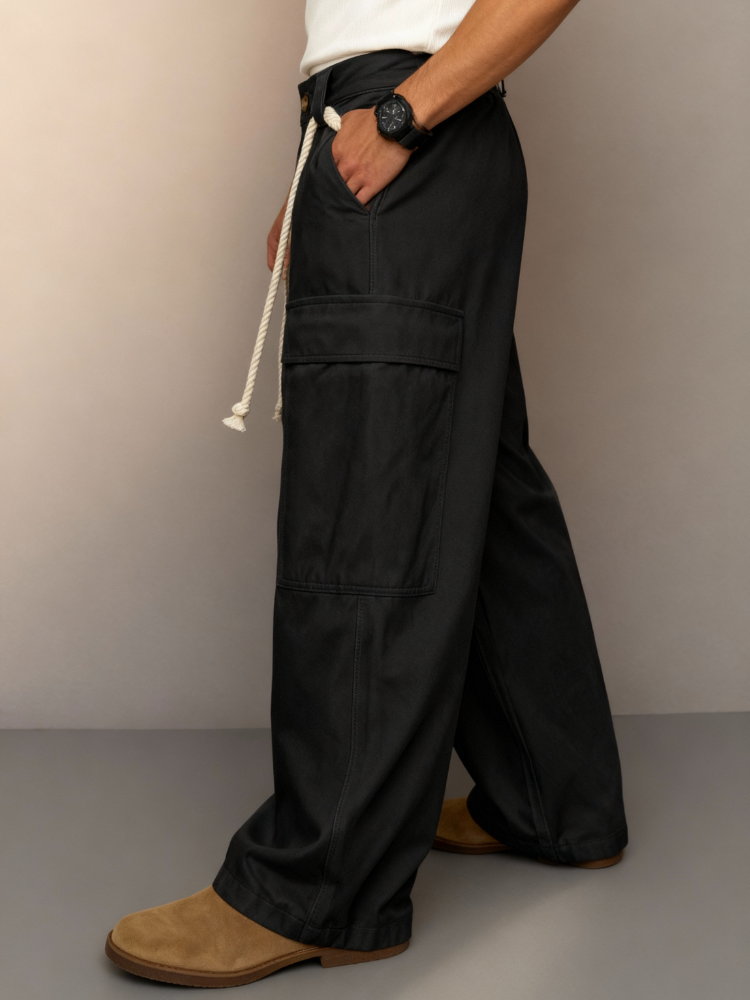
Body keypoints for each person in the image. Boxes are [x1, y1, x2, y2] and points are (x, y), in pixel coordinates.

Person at [105, 0, 628, 987]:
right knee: (480, 486)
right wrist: (324, 163)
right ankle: (557, 797)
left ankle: (322, 889)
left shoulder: (402, 115)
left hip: (411, 125)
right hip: (395, 135)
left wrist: (398, 116)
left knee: (366, 511)